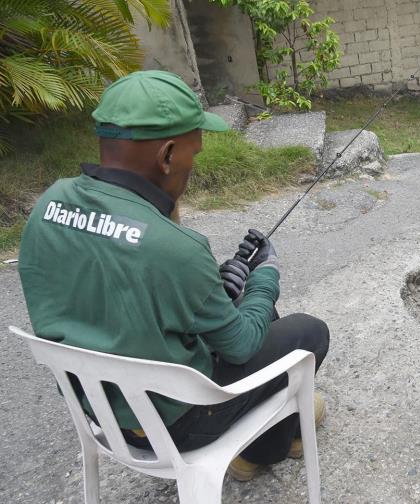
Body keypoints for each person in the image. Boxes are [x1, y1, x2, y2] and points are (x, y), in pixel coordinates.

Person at [17, 70, 329, 481]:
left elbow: (127, 287)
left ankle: (274, 424)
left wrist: (218, 287)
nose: (193, 165)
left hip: (101, 412)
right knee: (307, 331)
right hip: (174, 426)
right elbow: (240, 346)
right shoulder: (174, 249)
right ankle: (259, 453)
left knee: (250, 312)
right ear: (166, 156)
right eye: (192, 154)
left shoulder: (49, 205)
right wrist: (264, 277)